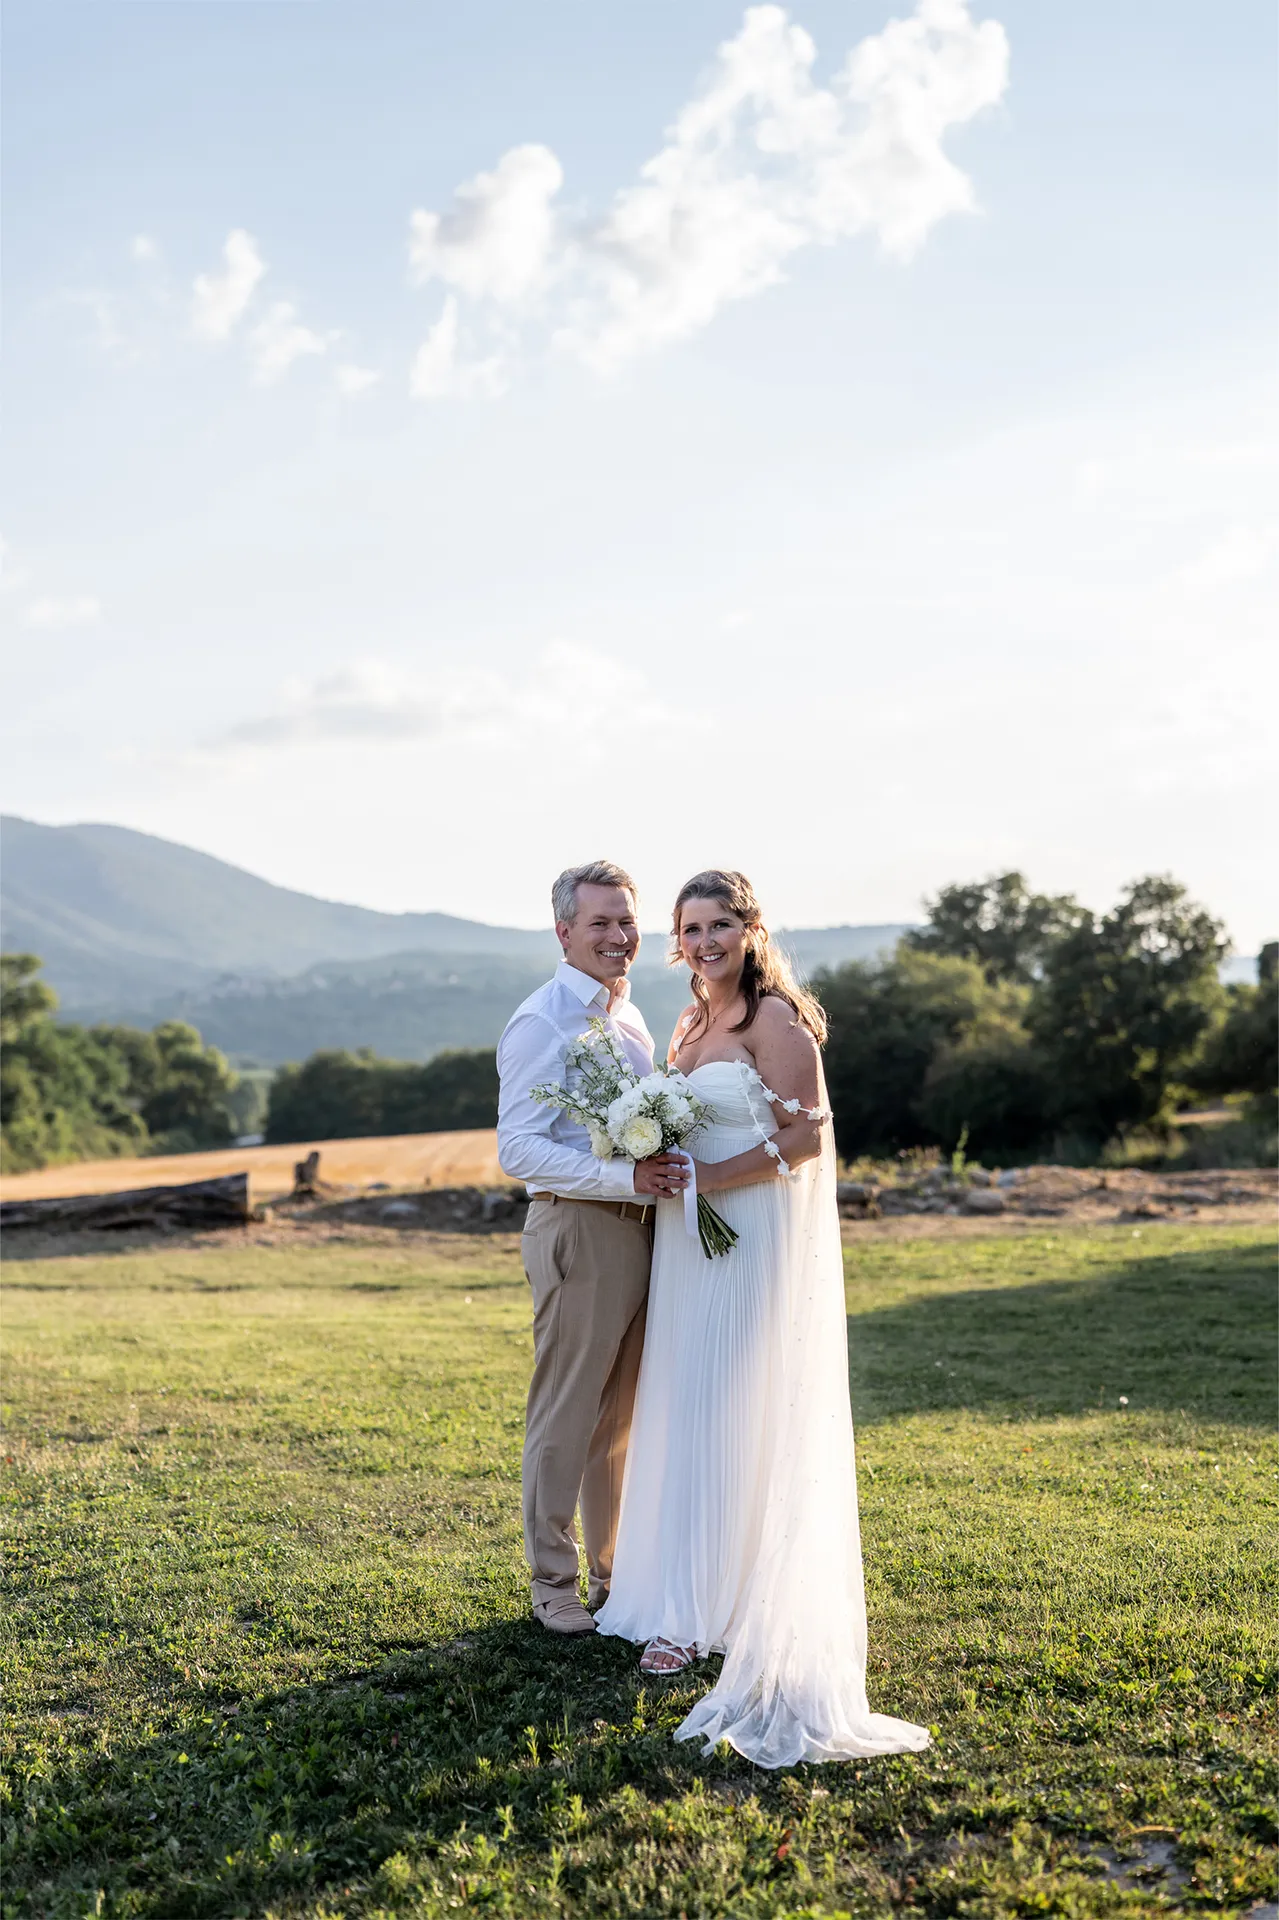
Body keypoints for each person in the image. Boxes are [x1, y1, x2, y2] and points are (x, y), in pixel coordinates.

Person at [594, 870, 929, 1767]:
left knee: (724, 1410)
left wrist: (704, 1178)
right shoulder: (689, 1021)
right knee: (687, 1403)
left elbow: (807, 1138)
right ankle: (679, 1594)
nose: (704, 941)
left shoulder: (772, 1020)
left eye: (719, 925)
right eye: (690, 927)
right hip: (687, 1243)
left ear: (750, 930)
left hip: (746, 1240)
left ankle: (708, 1617)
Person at [496, 861, 690, 1638]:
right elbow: (519, 1148)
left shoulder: (630, 1018)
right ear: (564, 932)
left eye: (626, 921)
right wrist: (623, 1175)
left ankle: (614, 1572)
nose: (618, 936)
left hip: (643, 1231)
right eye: (601, 922)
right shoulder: (542, 1021)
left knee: (618, 1419)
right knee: (566, 1412)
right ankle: (553, 1584)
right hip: (577, 1226)